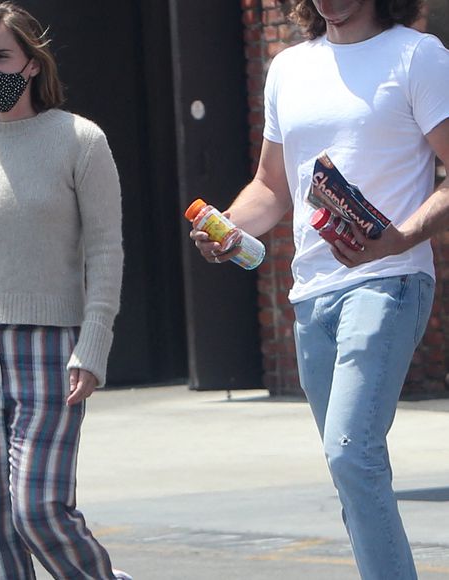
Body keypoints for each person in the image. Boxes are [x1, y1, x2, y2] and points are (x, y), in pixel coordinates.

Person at [191, 0, 449, 578]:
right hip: (312, 293)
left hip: (389, 279)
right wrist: (228, 228)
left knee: (351, 453)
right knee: (350, 468)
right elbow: (271, 185)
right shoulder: (289, 67)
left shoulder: (416, 55)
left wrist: (400, 235)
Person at [0, 3, 132, 579]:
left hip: (52, 348)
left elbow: (104, 252)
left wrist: (92, 348)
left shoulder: (80, 141)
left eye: (1, 55)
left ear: (30, 64)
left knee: (37, 510)